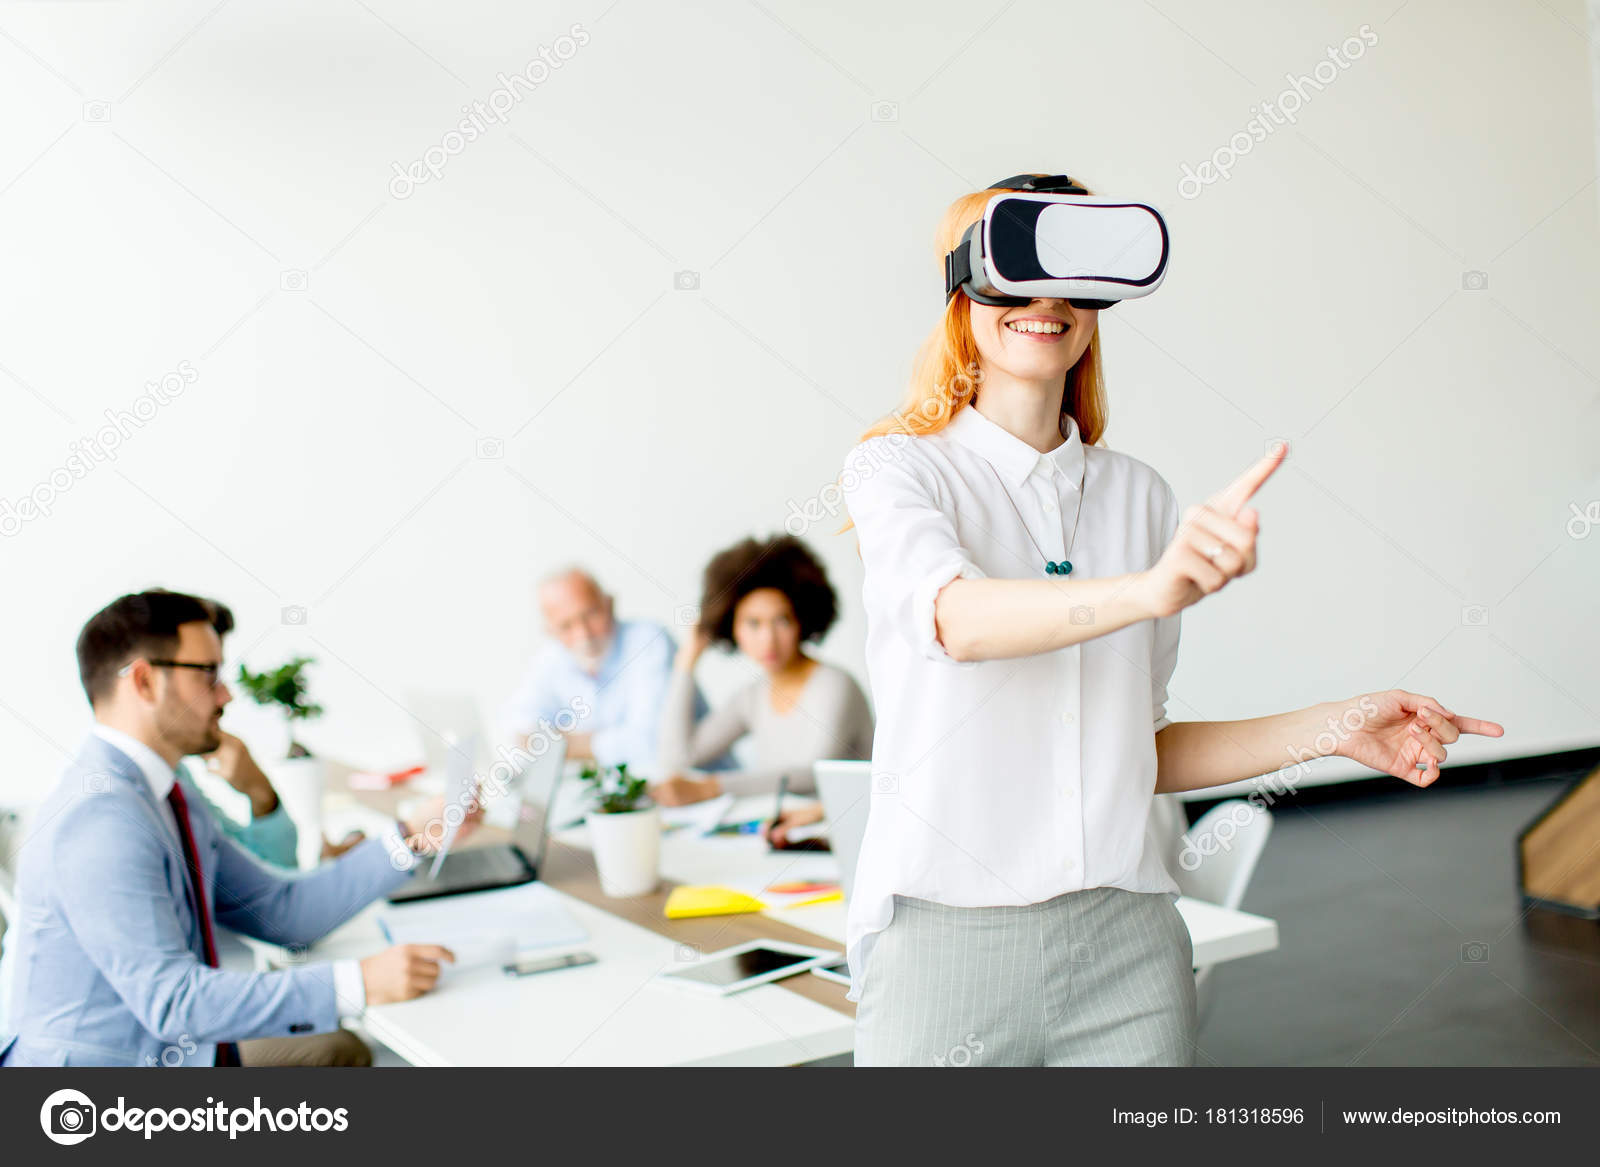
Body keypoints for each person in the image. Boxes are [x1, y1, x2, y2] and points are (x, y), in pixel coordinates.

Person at [838, 173, 1505, 1067]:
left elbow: (1138, 750)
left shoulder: (1139, 495)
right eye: (1019, 267)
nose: (1046, 302)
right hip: (947, 943)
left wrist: (1339, 727)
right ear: (964, 289)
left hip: (1129, 947)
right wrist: (1147, 591)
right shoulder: (898, 471)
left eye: (1075, 274)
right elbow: (957, 619)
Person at [0, 590, 478, 1068]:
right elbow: (174, 1004)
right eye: (208, 673)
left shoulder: (167, 794)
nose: (226, 694)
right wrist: (358, 983)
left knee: (349, 1049)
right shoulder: (99, 820)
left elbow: (281, 912)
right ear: (144, 681)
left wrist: (414, 836)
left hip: (165, 1053)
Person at [652, 535, 874, 806]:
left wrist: (713, 787)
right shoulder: (752, 697)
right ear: (732, 628)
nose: (768, 639)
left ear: (802, 620)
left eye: (781, 621)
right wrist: (687, 661)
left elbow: (812, 774)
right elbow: (678, 758)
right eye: (753, 623)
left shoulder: (836, 686)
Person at [500, 567, 724, 775]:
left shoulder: (648, 640)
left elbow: (650, 743)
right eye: (566, 626)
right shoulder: (550, 660)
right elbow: (520, 732)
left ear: (609, 604)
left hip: (707, 786)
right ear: (550, 630)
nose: (583, 634)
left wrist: (565, 744)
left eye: (590, 615)